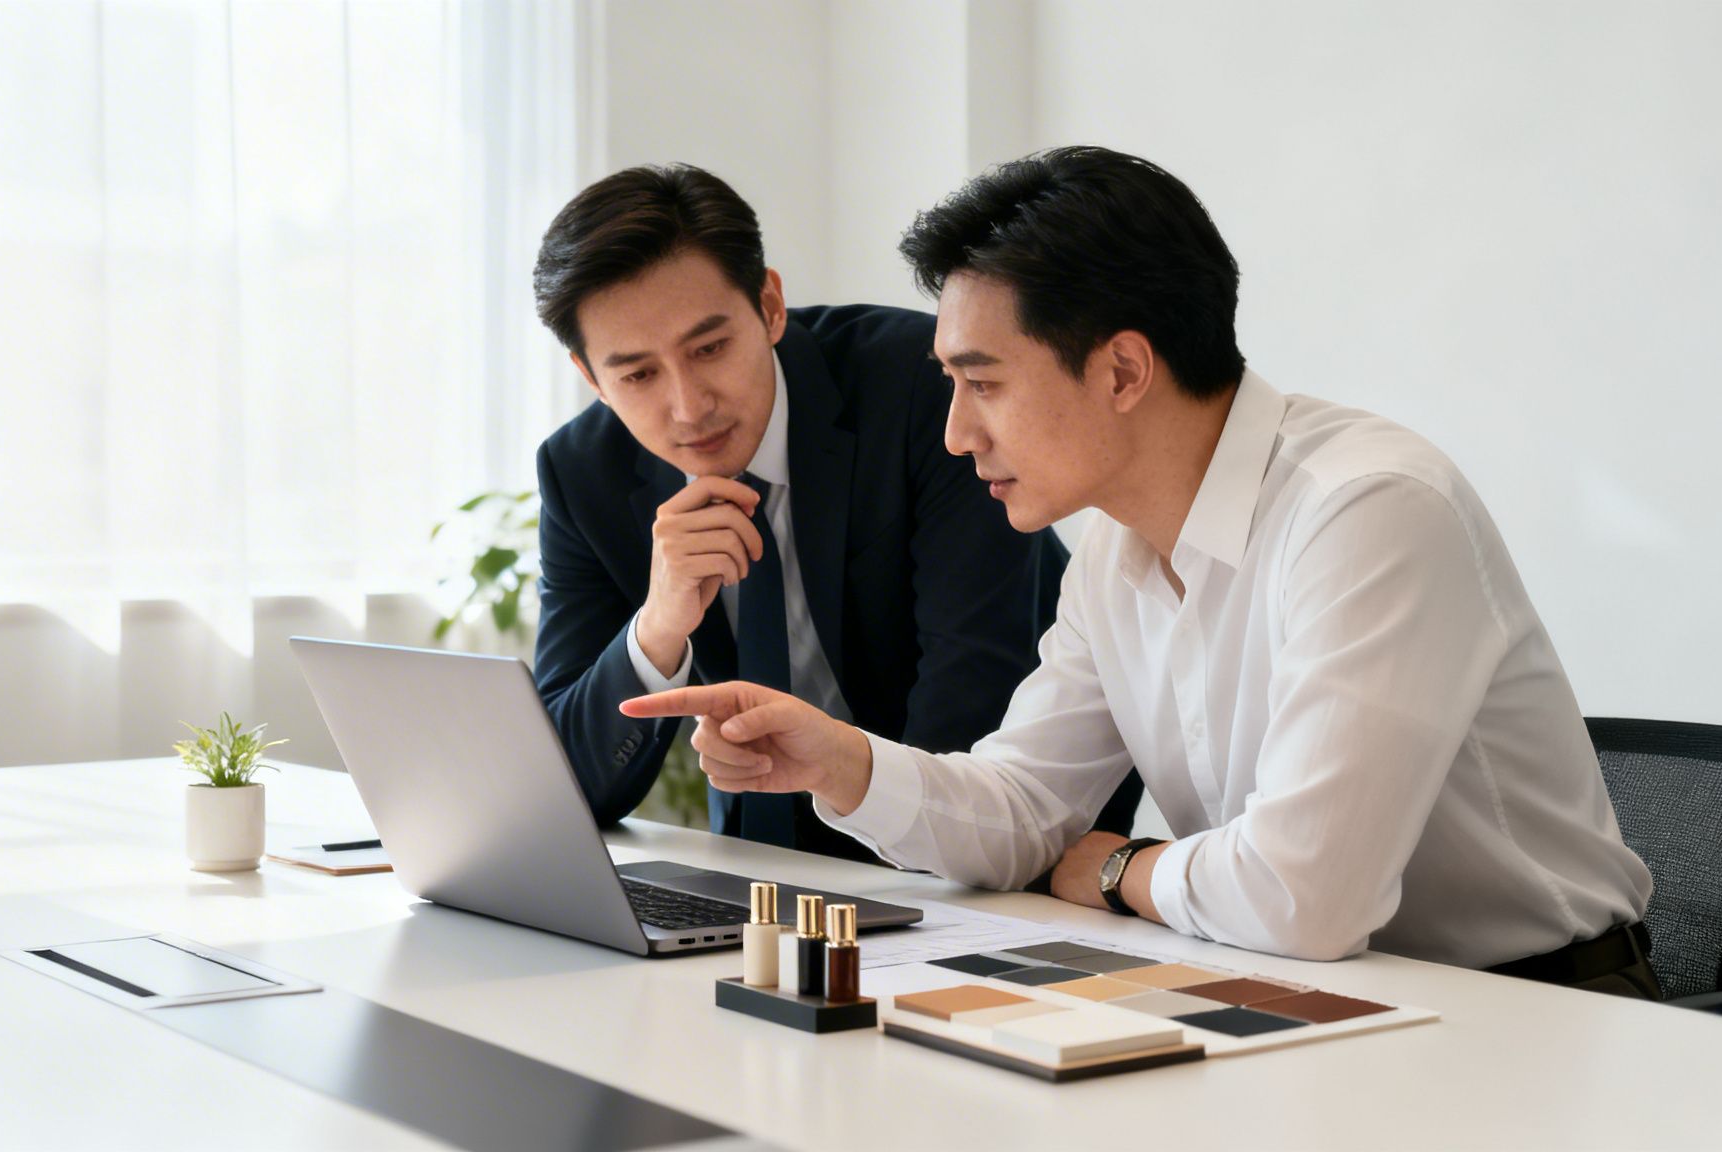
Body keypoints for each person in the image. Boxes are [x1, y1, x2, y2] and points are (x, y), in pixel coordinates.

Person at [623, 147, 1657, 994]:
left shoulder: (1368, 510)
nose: (952, 434)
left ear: (1121, 369)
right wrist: (838, 762)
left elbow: (1304, 897)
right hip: (1322, 997)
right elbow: (1026, 805)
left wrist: (1113, 866)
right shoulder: (1115, 545)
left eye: (980, 383)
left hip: (1538, 1012)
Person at [531, 163, 1141, 862]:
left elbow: (972, 705)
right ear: (589, 377)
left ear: (769, 306)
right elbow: (567, 788)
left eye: (710, 347)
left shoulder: (928, 390)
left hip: (992, 850)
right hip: (766, 870)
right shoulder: (583, 474)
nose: (689, 405)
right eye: (638, 374)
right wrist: (658, 627)